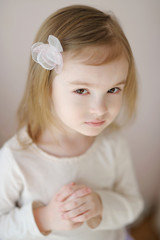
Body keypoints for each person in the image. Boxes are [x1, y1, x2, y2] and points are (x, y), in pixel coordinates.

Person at [0, 4, 144, 240]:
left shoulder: (112, 145)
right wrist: (44, 218)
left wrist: (101, 205)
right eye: (81, 90)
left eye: (113, 89)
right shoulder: (16, 158)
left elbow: (133, 204)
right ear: (46, 88)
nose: (100, 109)